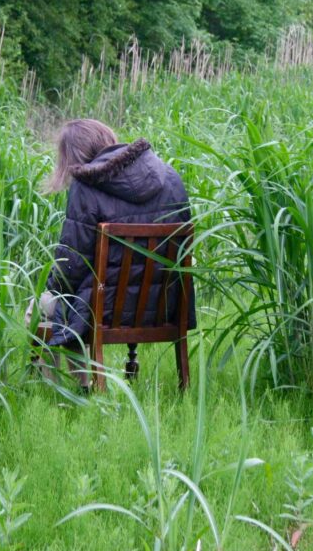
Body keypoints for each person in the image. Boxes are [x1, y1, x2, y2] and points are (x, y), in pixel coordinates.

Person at [30, 118, 195, 390]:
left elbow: (72, 262)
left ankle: (63, 390)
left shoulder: (86, 187)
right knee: (68, 302)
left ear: (73, 157)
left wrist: (52, 291)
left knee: (42, 309)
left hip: (104, 309)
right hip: (166, 306)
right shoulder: (171, 178)